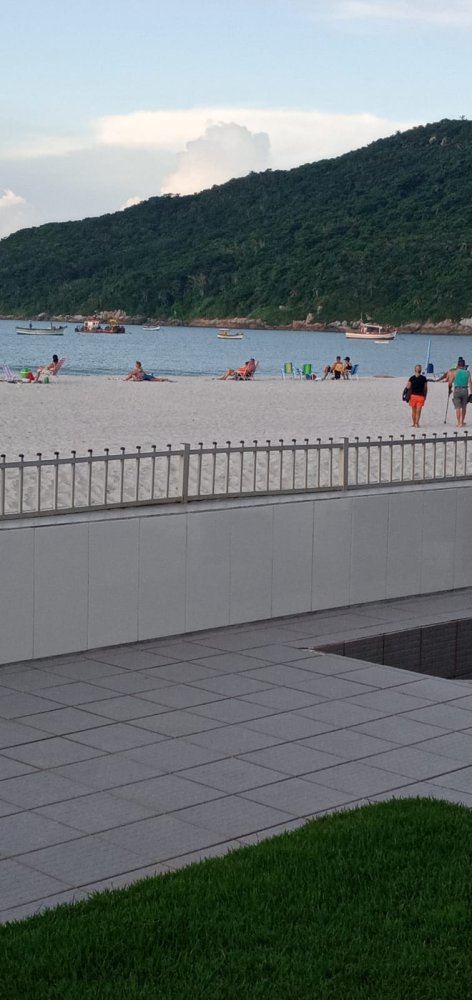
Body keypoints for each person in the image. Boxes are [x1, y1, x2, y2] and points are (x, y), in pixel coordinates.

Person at [451, 357, 472, 428]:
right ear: (464, 365)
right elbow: (470, 383)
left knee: (457, 408)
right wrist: (471, 393)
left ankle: (458, 423)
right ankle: (462, 422)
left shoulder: (454, 372)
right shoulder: (467, 373)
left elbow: (451, 381)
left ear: (458, 365)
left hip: (457, 390)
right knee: (464, 407)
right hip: (464, 390)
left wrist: (449, 388)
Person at [405, 363, 428, 428]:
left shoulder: (412, 378)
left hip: (413, 396)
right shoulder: (424, 378)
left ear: (415, 370)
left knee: (413, 411)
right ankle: (417, 423)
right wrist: (425, 396)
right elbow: (425, 388)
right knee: (418, 411)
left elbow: (408, 386)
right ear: (421, 370)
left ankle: (413, 423)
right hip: (421, 396)